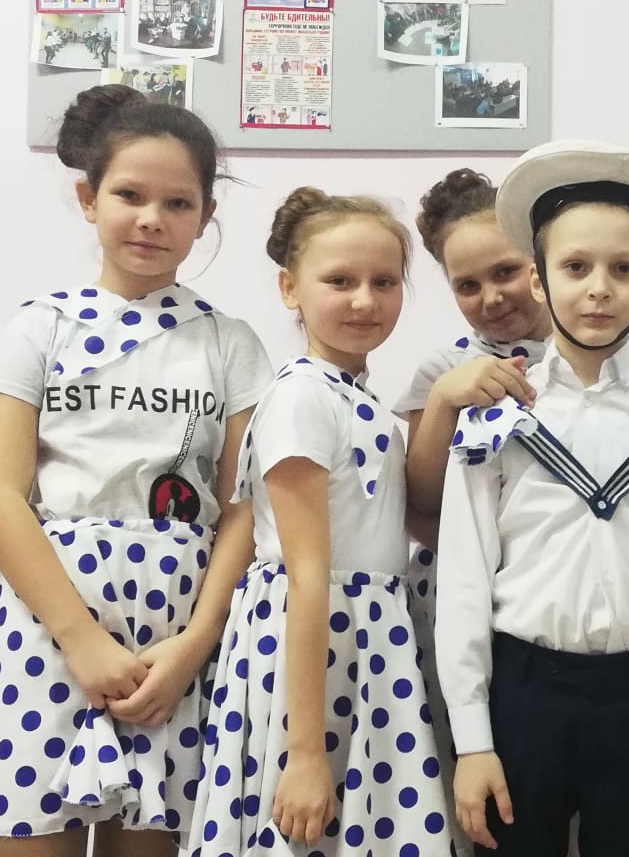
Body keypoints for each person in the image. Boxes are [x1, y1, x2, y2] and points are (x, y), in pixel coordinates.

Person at [0, 84, 273, 856]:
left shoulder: (229, 343)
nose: (152, 218)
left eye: (178, 203)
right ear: (88, 199)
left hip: (175, 640)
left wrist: (196, 643)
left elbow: (242, 505)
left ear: (205, 216)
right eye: (130, 195)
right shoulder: (42, 327)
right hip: (49, 627)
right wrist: (81, 639)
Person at [435, 140, 629, 857]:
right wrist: (474, 740)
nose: (599, 289)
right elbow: (464, 581)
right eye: (575, 267)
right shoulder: (499, 413)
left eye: (623, 269)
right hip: (523, 694)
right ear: (539, 280)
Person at [189, 188, 453, 856]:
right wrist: (304, 753)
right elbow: (307, 576)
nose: (365, 300)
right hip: (316, 651)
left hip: (369, 643)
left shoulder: (356, 399)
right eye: (340, 281)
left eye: (384, 282)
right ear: (291, 288)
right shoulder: (303, 397)